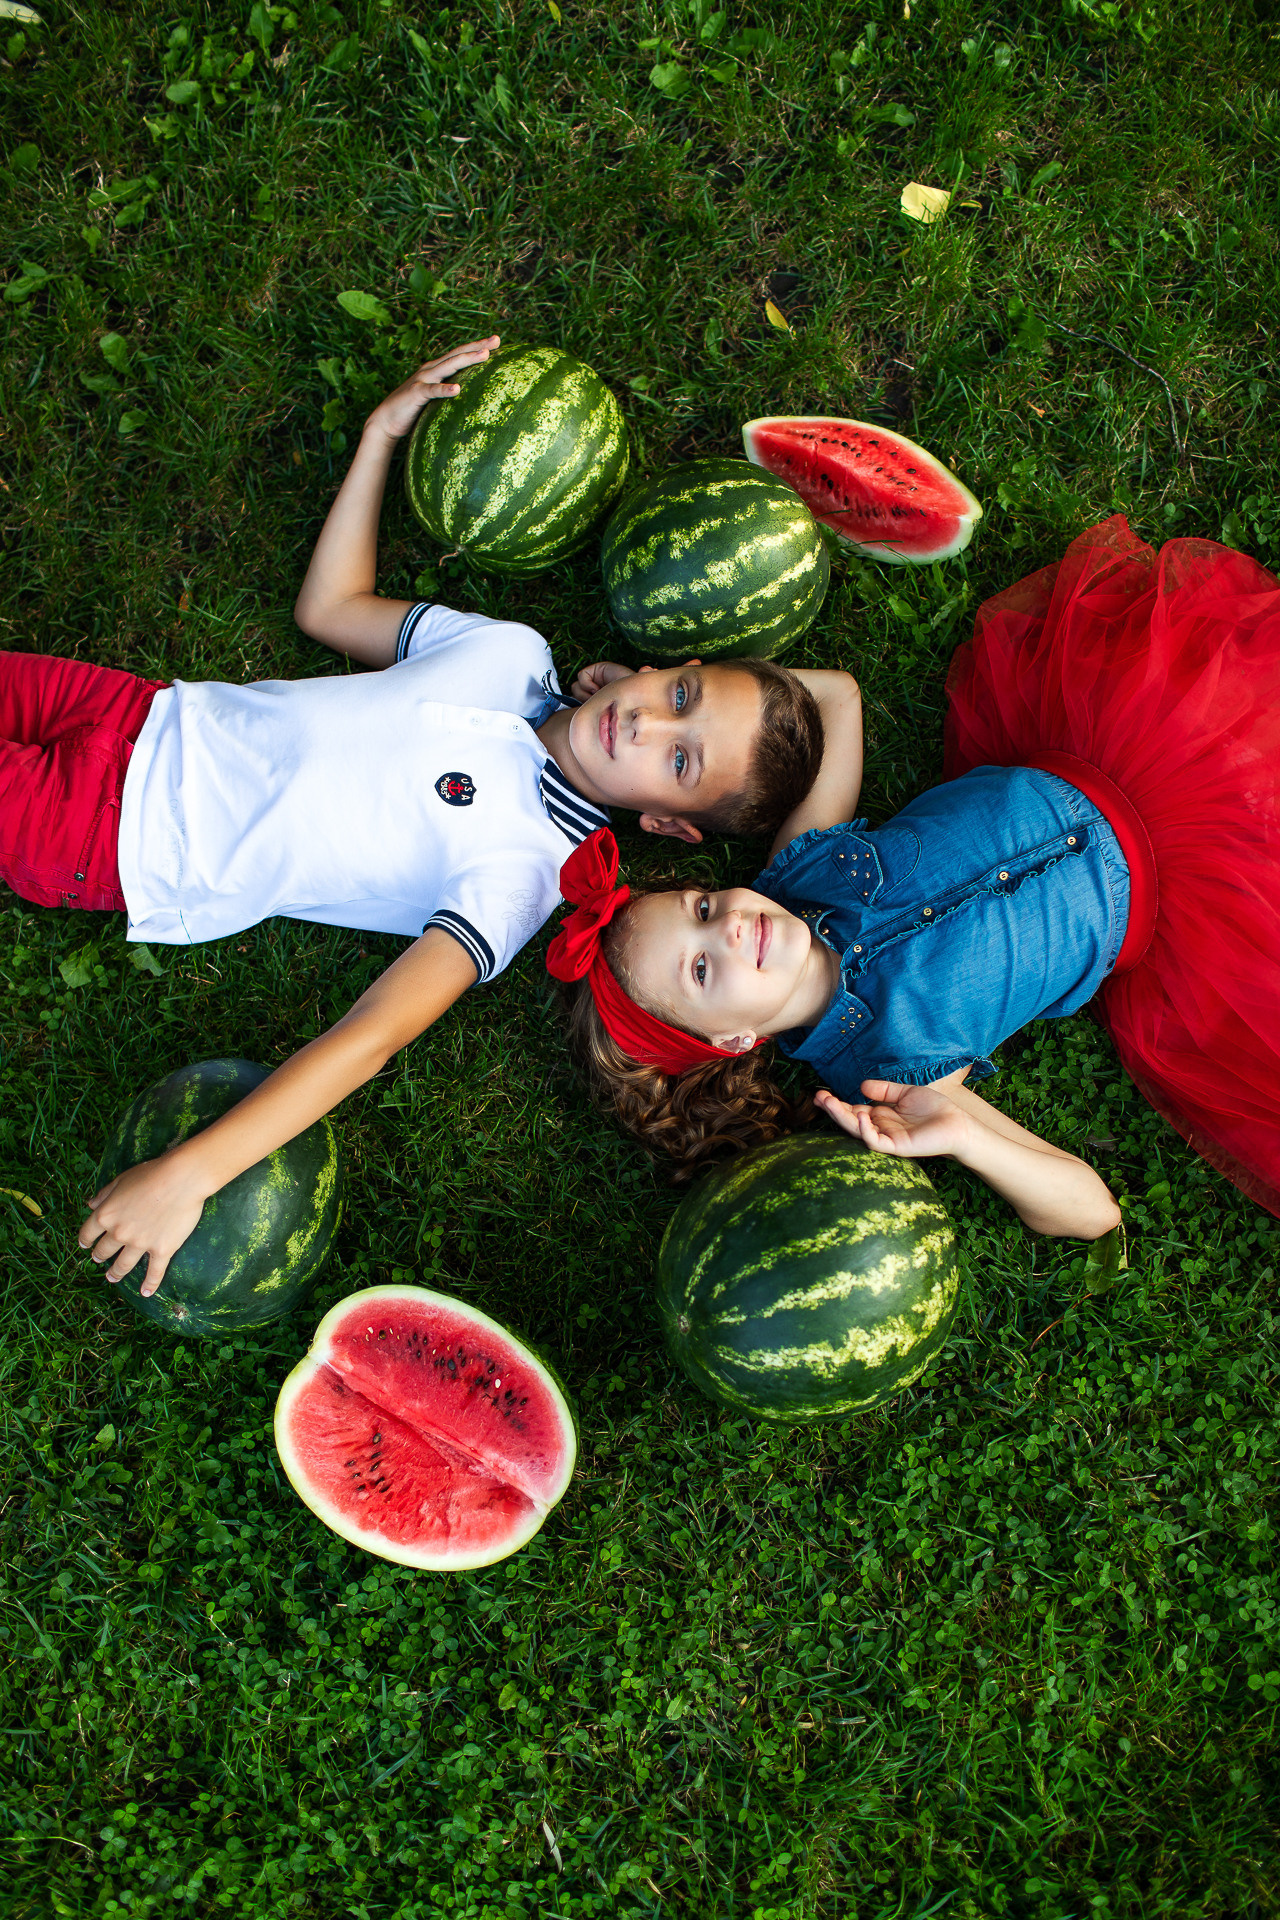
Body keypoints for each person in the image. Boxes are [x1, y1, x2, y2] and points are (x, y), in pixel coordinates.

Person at [0, 337, 838, 1294]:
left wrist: (196, 1171)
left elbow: (372, 1034)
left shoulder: (527, 872)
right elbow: (334, 607)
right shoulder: (506, 648)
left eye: (679, 762)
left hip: (115, 837)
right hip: (134, 708)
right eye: (682, 692)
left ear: (671, 829)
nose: (648, 722)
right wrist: (378, 436)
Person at [551, 515, 1280, 1237]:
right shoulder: (890, 1074)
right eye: (704, 969)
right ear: (734, 1042)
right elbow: (1091, 1210)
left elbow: (836, 698)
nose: (733, 926)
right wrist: (967, 1139)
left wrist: (671, 700)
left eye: (704, 907)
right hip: (1177, 904)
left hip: (1114, 750)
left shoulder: (803, 866)